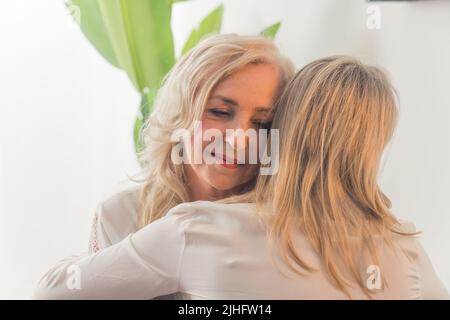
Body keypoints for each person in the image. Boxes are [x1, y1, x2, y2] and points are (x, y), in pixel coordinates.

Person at [33, 56, 449, 299]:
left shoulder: (199, 229)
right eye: (220, 111)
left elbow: (52, 292)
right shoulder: (403, 247)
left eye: (262, 121)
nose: (240, 137)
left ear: (284, 129)